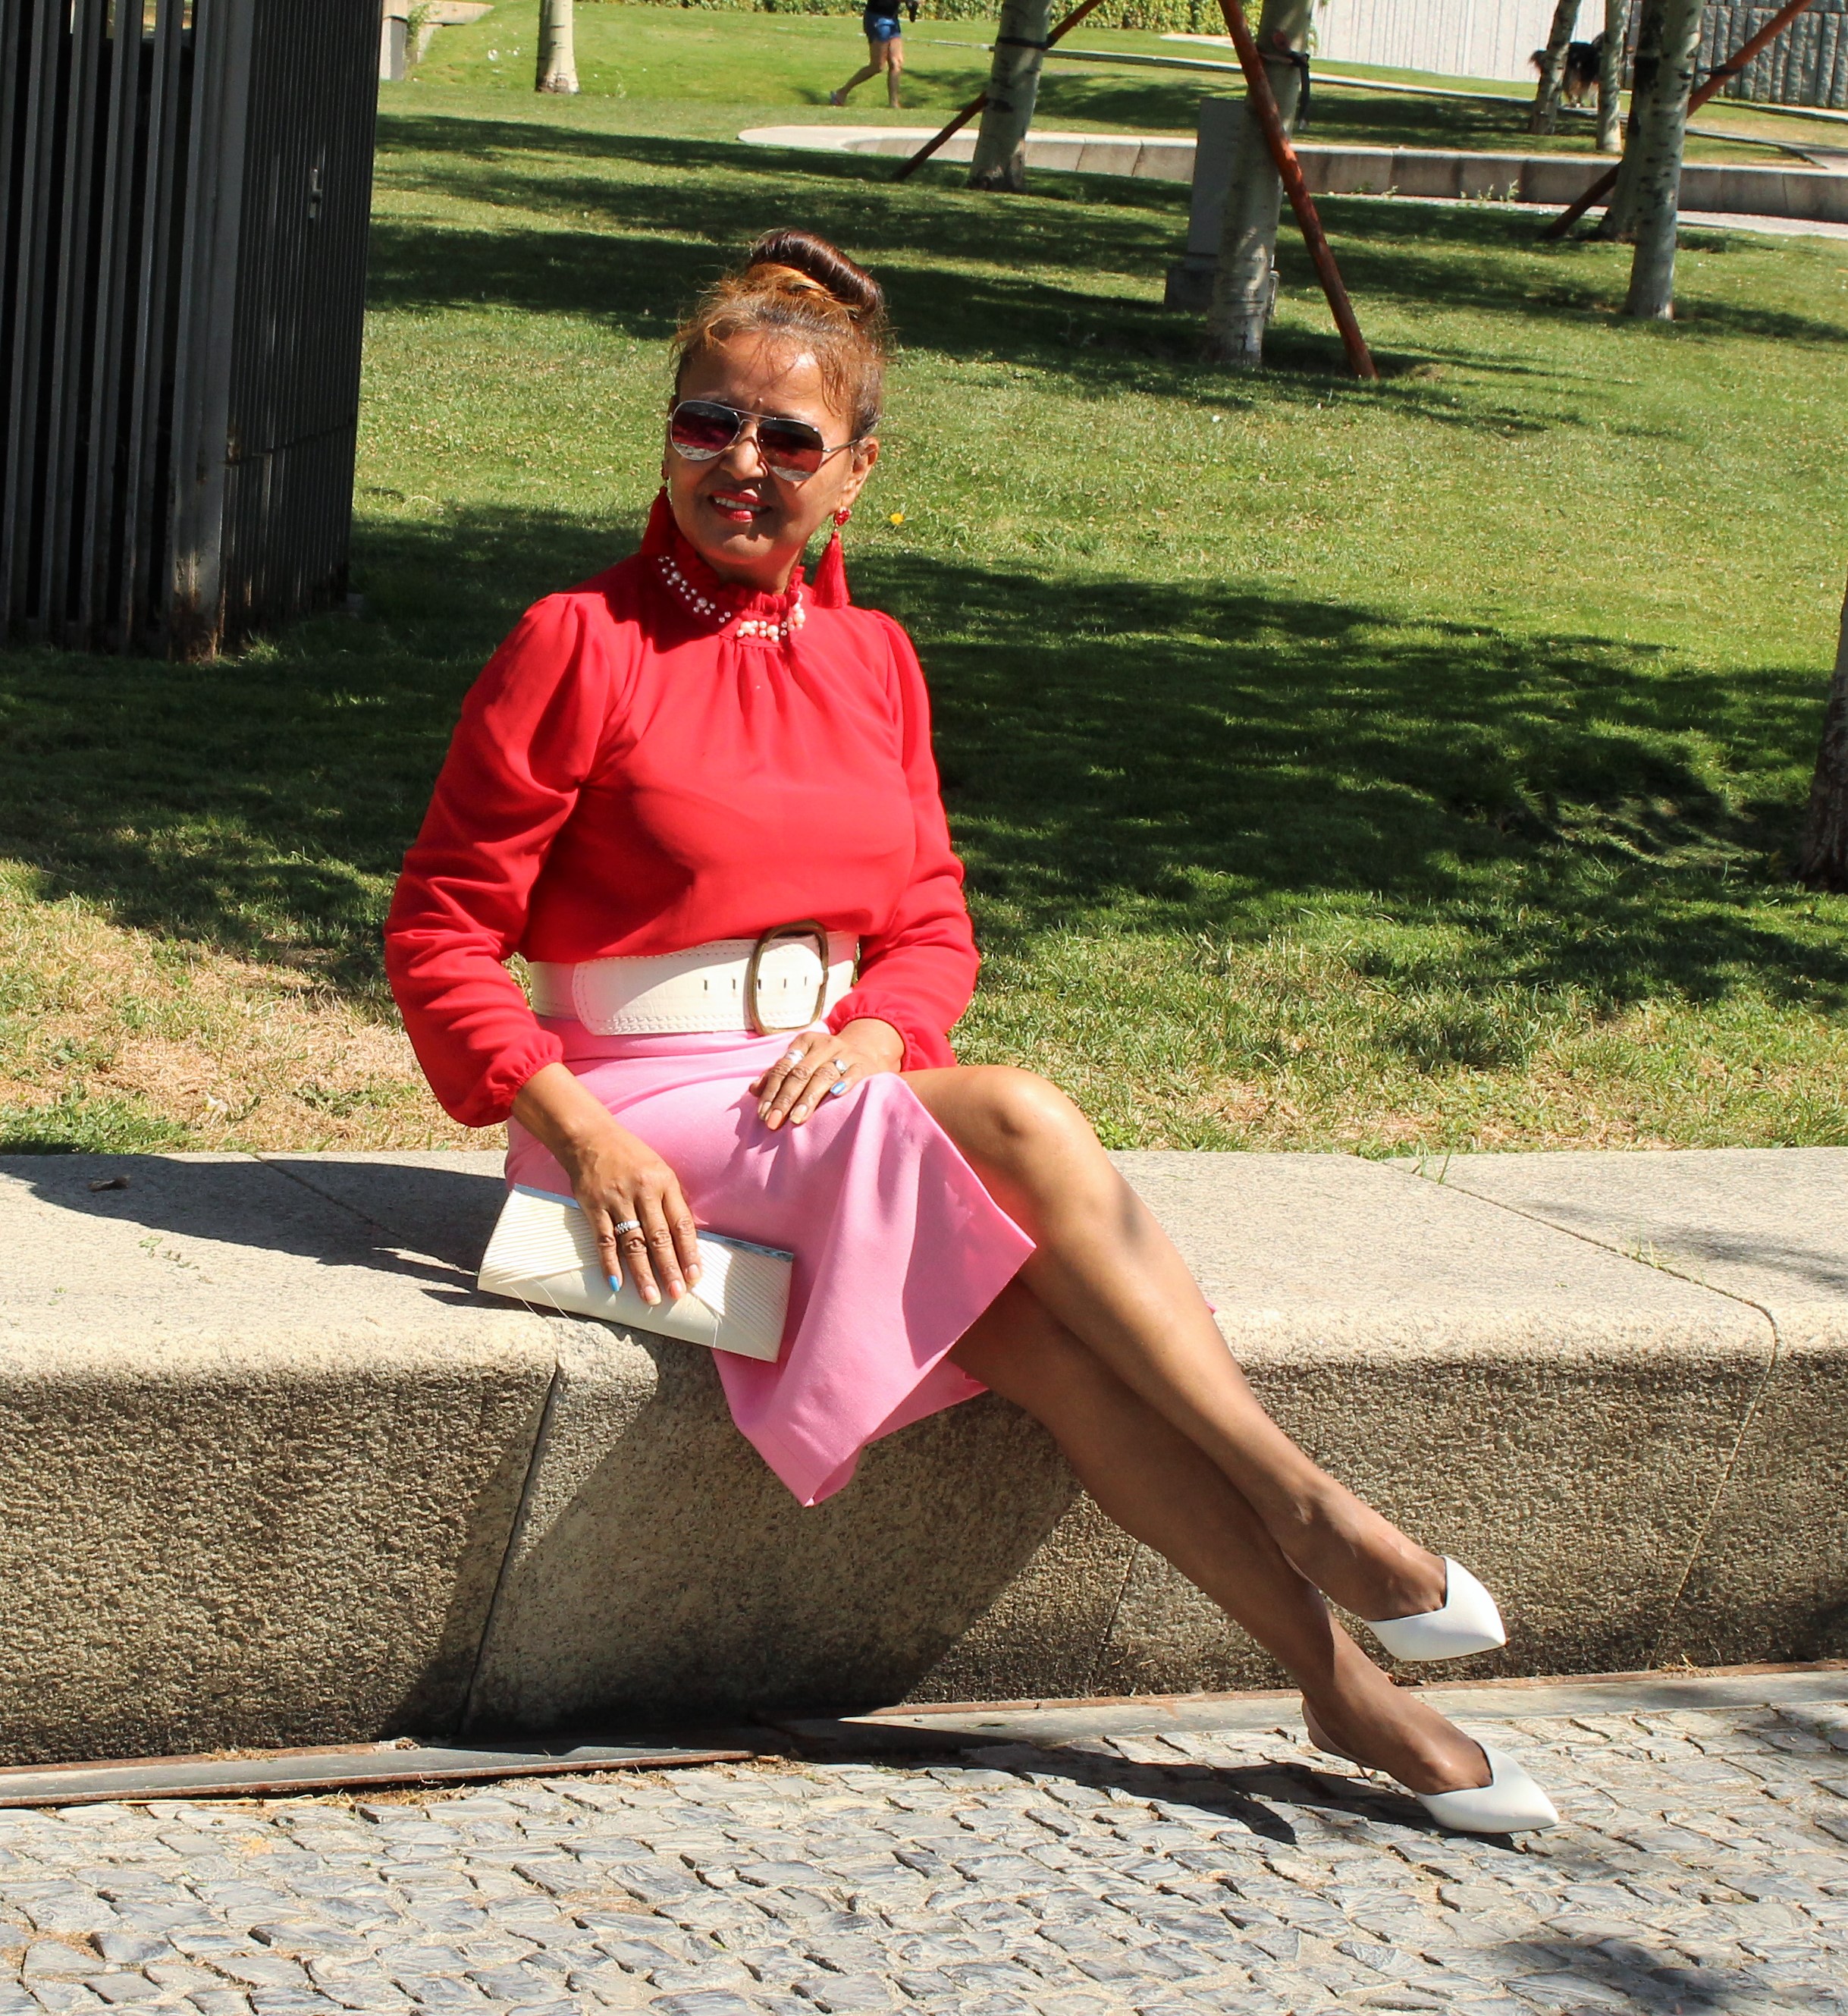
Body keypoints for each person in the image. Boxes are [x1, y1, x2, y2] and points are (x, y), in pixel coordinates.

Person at [385, 228, 1558, 1837]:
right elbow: (440, 927)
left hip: (824, 1093)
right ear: (666, 434)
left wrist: (878, 1031)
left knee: (1042, 1342)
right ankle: (1316, 1507)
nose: (742, 463)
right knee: (1008, 1116)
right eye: (706, 424)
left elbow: (930, 922)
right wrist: (571, 1126)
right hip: (638, 1113)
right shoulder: (573, 643)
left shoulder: (876, 662)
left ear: (856, 472)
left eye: (789, 438)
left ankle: (1339, 1688)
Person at [830, 0, 916, 110]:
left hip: (892, 18)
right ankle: (841, 93)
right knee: (877, 66)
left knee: (897, 62)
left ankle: (894, 104)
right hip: (877, 17)